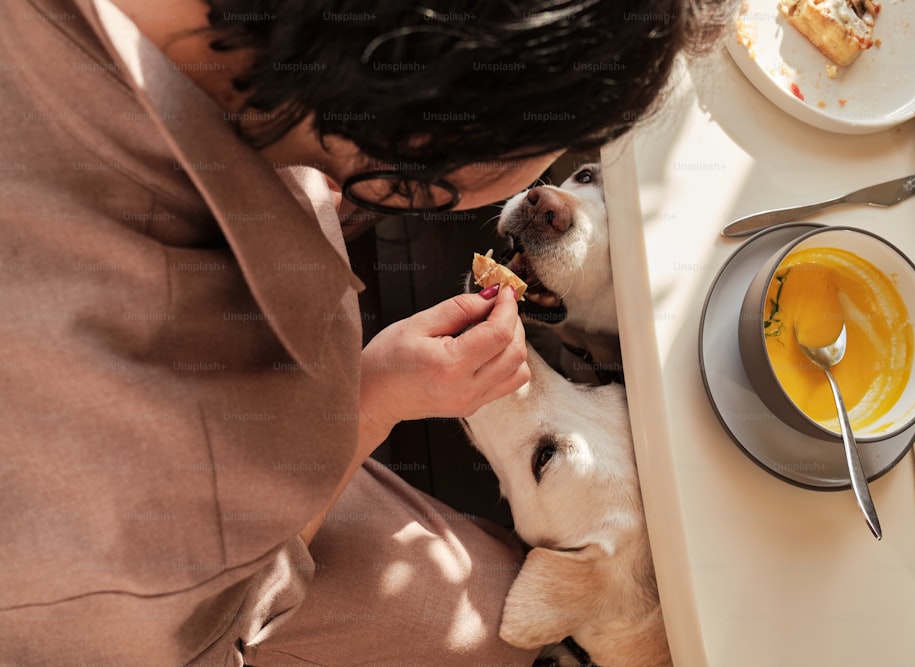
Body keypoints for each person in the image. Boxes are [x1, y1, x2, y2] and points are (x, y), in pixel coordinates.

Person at [0, 0, 735, 664]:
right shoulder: (119, 512)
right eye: (571, 144)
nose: (556, 174)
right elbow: (206, 634)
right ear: (428, 132)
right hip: (193, 593)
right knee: (483, 632)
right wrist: (369, 401)